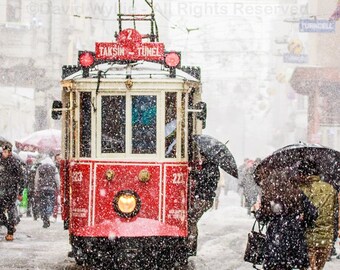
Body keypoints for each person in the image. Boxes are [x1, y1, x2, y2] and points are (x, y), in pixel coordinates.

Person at [254, 170, 318, 270]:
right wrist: (302, 223)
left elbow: (262, 218)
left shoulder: (269, 195)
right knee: (290, 264)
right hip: (294, 236)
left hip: (275, 237)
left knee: (275, 264)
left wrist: (257, 211)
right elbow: (313, 213)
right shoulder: (298, 194)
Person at [297, 159, 337, 270]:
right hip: (326, 237)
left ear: (303, 173)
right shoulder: (330, 189)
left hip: (307, 237)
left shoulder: (301, 189)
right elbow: (335, 211)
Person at [188, 154, 220, 255]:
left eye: (202, 156)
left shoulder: (211, 168)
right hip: (204, 198)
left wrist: (194, 173)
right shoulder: (209, 167)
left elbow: (203, 179)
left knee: (191, 220)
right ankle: (191, 245)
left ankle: (191, 245)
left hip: (204, 198)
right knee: (192, 220)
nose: (201, 158)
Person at [0, 142, 25, 241]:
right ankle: (8, 226)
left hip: (12, 190)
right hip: (1, 190)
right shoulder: (0, 161)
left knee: (11, 211)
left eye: (5, 151)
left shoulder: (15, 162)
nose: (4, 153)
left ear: (10, 152)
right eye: (3, 151)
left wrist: (20, 192)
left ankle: (10, 232)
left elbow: (21, 178)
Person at [35, 155, 60, 228]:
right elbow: (57, 179)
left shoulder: (40, 167)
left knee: (43, 203)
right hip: (51, 188)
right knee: (50, 203)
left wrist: (36, 188)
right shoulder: (53, 167)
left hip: (42, 188)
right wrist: (59, 187)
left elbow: (36, 179)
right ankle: (48, 214)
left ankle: (44, 216)